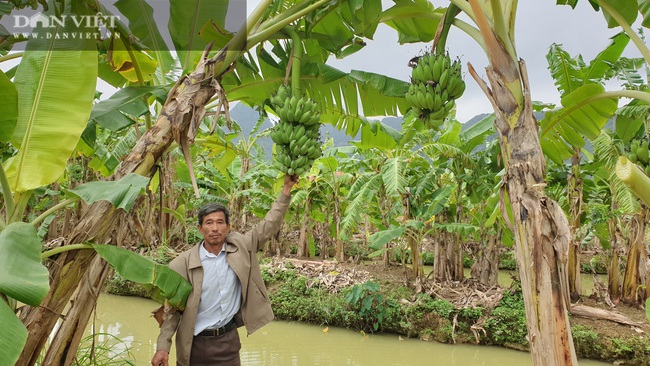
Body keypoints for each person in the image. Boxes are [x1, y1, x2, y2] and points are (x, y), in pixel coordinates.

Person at [151, 174, 297, 366]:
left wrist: (286, 190)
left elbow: (268, 226)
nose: (215, 228)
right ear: (200, 228)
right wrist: (163, 347)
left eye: (220, 222)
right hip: (194, 345)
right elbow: (172, 311)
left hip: (227, 342)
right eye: (209, 223)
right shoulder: (182, 264)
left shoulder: (241, 248)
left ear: (228, 227)